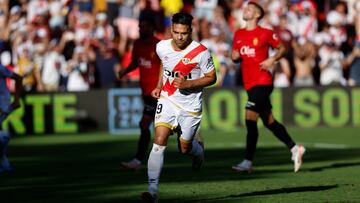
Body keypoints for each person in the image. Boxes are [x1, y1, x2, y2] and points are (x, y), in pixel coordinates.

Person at [141, 13, 217, 202]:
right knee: (158, 141)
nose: (179, 37)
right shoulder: (162, 46)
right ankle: (152, 191)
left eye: (184, 33)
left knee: (185, 148)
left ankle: (198, 151)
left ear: (190, 31)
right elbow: (164, 64)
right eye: (176, 32)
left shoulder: (201, 52)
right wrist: (159, 86)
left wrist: (188, 85)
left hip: (190, 106)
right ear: (171, 30)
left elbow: (212, 77)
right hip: (167, 100)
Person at [231, 2, 305, 174]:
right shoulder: (239, 34)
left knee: (250, 119)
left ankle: (247, 161)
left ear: (257, 15)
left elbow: (282, 49)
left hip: (263, 81)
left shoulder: (265, 33)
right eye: (245, 8)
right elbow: (235, 55)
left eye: (249, 9)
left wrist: (272, 59)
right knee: (269, 121)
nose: (245, 11)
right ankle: (295, 148)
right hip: (249, 83)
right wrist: (234, 57)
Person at [119, 17, 161, 170]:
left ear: (151, 28)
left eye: (143, 27)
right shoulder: (137, 44)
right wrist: (125, 71)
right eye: (139, 27)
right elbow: (136, 62)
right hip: (146, 93)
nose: (140, 29)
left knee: (146, 124)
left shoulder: (158, 45)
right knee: (157, 126)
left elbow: (167, 66)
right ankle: (194, 143)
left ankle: (137, 161)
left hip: (158, 93)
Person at [0, 64, 22, 173]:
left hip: (2, 106)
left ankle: (4, 137)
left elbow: (18, 78)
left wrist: (17, 99)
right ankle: (5, 165)